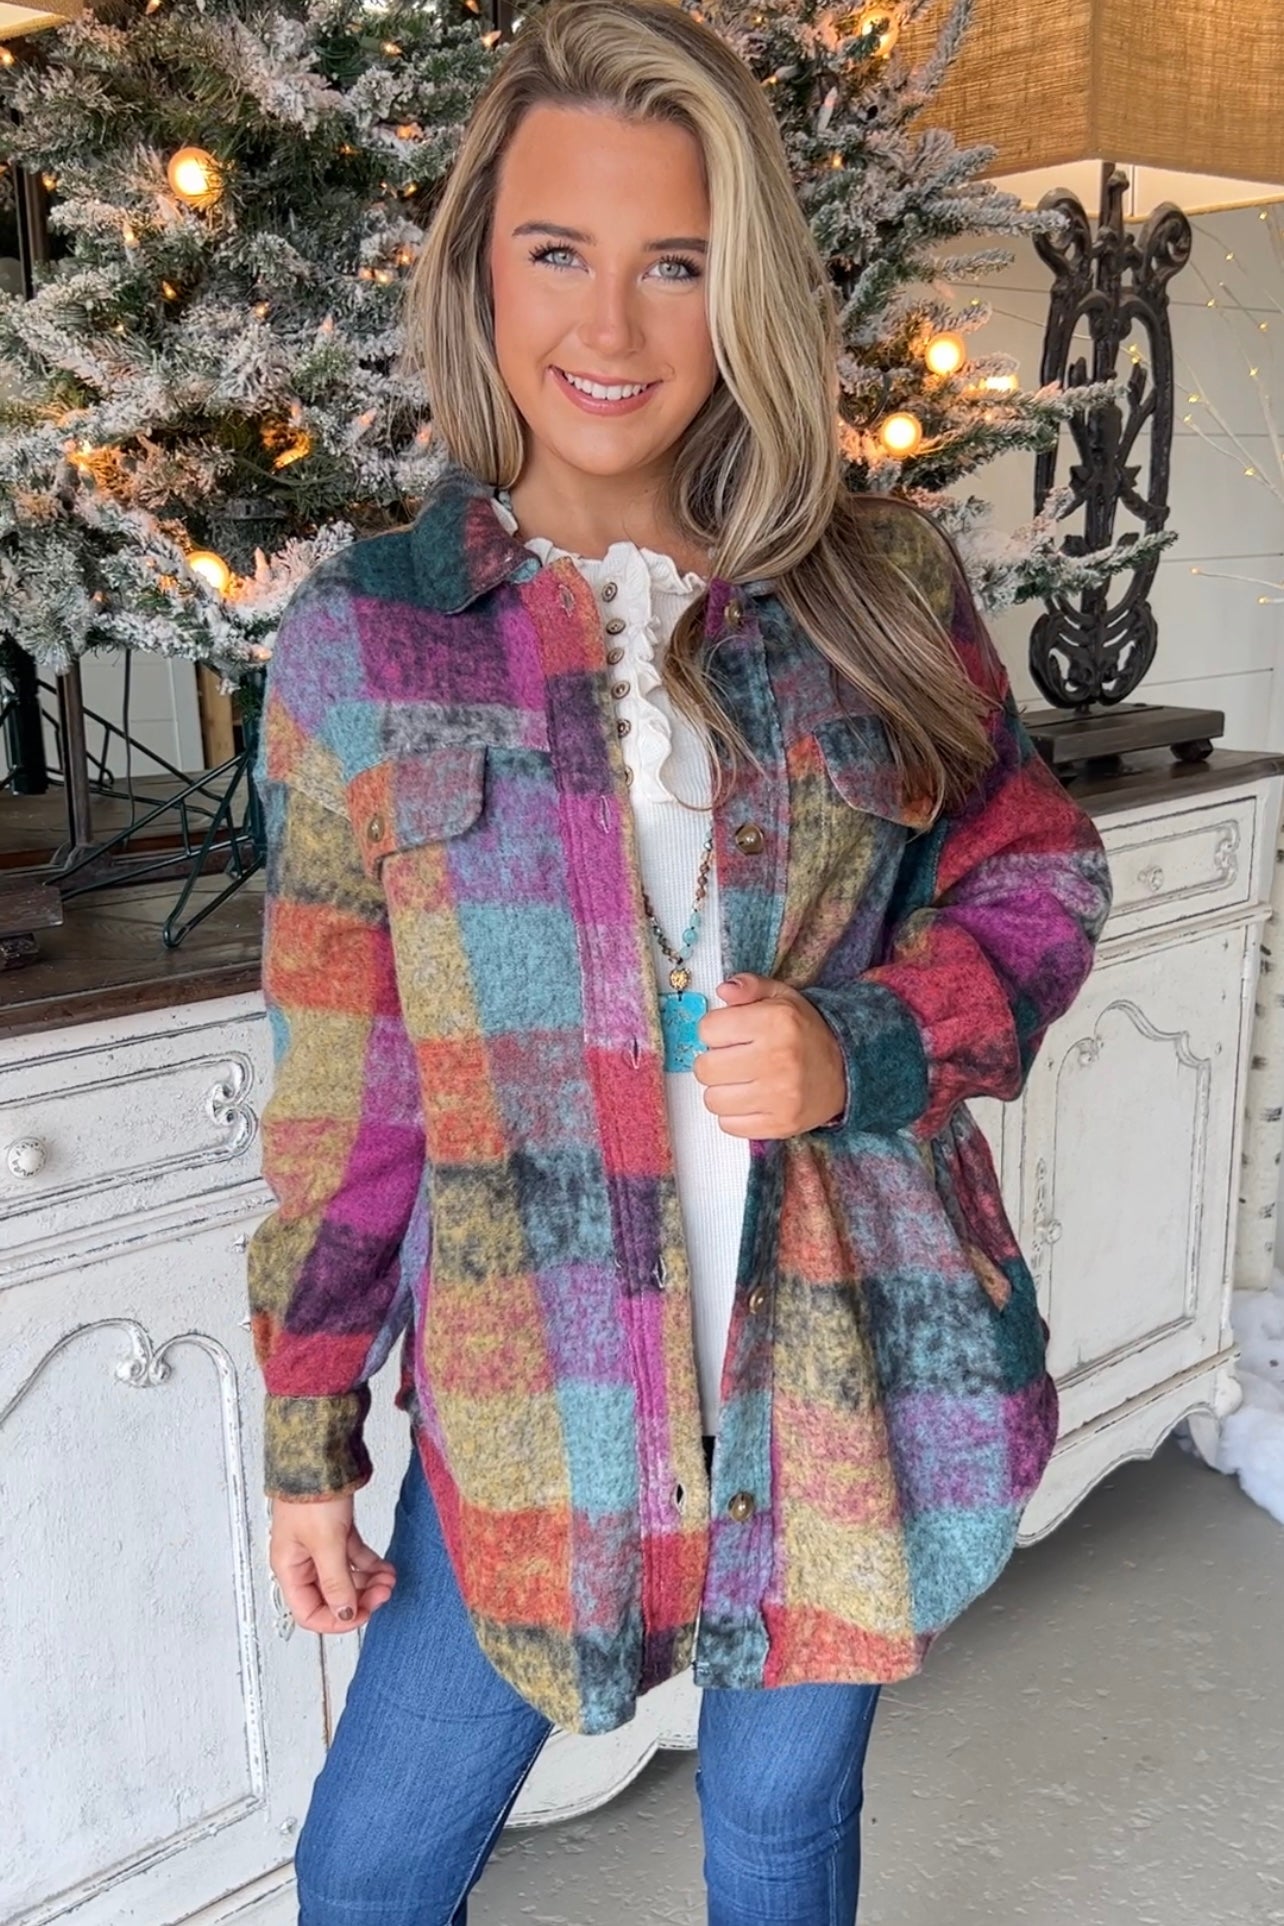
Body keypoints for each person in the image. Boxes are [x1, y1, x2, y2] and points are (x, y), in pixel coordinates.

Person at [245, 1, 1113, 1920]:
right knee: (371, 1862)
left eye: (676, 264)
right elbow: (342, 1101)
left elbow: (1040, 882)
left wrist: (864, 1041)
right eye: (559, 250)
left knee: (781, 1829)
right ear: (483, 266)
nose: (613, 327)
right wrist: (310, 1430)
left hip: (841, 1373)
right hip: (525, 1402)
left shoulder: (880, 587)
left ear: (749, 294)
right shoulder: (367, 647)